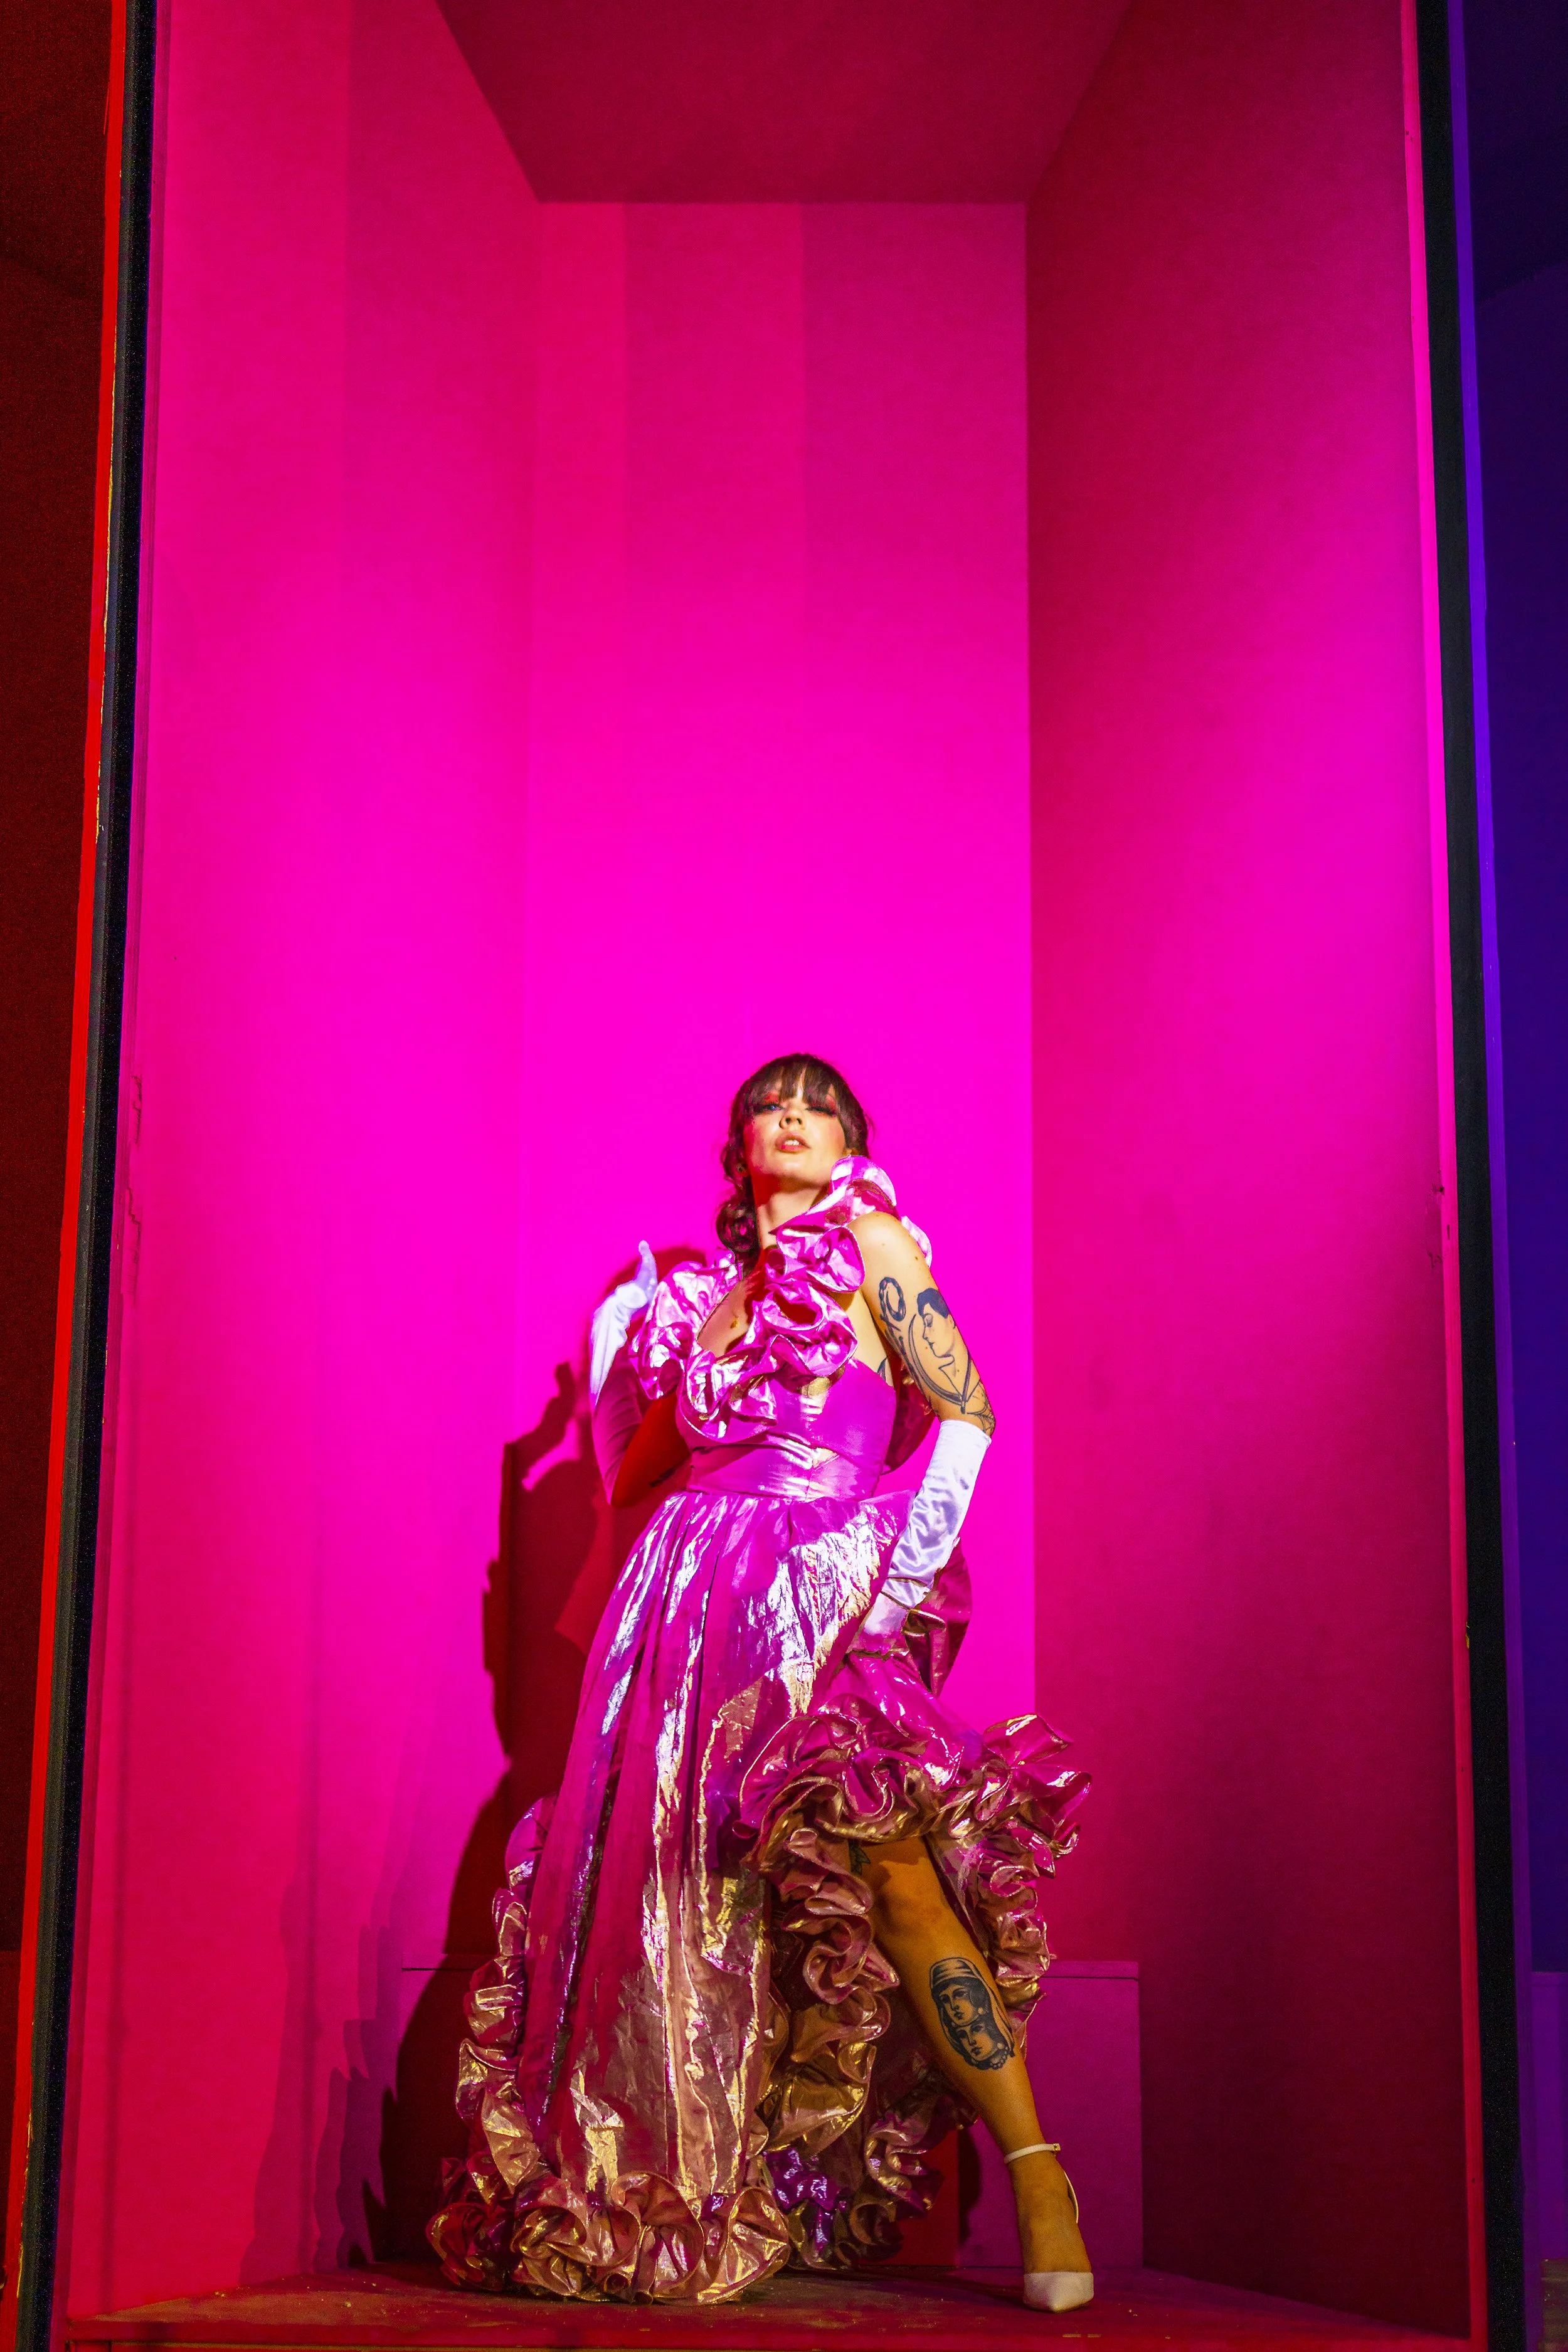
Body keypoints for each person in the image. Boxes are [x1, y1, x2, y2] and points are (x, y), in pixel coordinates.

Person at [430, 1054, 1090, 2310]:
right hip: (682, 1614)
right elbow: (645, 1476)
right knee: (675, 1906)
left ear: (847, 1139)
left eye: (819, 1102)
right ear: (735, 1145)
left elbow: (962, 1414)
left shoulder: (876, 1248)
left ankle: (1039, 2174)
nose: (790, 1112)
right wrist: (611, 1396)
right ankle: (694, 2183)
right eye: (767, 1102)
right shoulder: (703, 1303)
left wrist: (887, 1588)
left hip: (815, 1590)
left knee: (888, 1882)